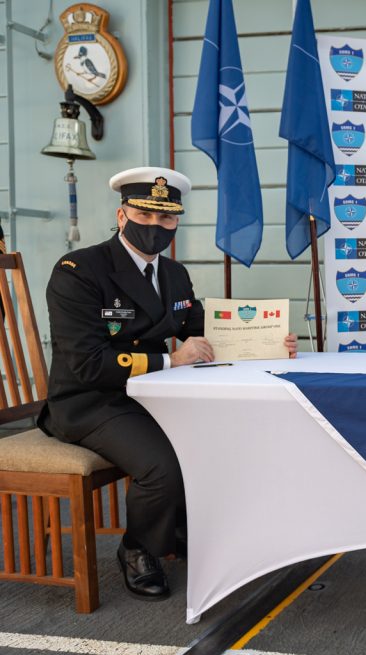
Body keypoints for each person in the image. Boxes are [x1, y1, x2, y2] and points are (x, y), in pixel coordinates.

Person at [38, 167, 298, 601]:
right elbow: (86, 363)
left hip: (153, 395)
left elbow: (208, 331)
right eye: (144, 215)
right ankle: (138, 549)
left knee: (216, 439)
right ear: (122, 215)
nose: (155, 227)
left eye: (167, 219)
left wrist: (270, 342)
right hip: (91, 401)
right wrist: (169, 359)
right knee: (162, 465)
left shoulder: (174, 274)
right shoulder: (79, 270)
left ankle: (179, 529)